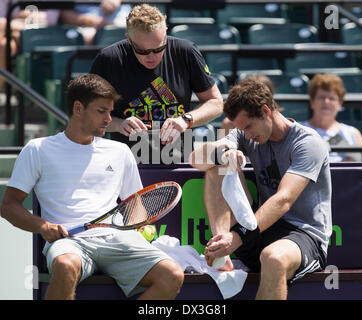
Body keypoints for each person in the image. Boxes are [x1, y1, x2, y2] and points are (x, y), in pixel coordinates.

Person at [0, 74, 184, 300]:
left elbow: (137, 209)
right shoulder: (38, 150)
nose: (109, 118)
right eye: (101, 111)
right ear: (78, 108)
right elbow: (8, 206)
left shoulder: (120, 152)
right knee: (66, 266)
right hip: (69, 243)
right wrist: (43, 225)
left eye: (110, 111)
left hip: (117, 240)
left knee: (172, 275)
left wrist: (140, 225)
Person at [189, 78, 332, 300]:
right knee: (215, 166)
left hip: (303, 235)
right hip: (260, 230)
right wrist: (223, 153)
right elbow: (195, 160)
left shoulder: (307, 142)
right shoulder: (245, 135)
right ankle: (221, 249)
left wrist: (238, 237)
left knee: (274, 258)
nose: (245, 135)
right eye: (240, 129)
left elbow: (283, 200)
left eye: (248, 127)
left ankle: (229, 242)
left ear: (266, 111)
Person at [90, 4, 223, 163]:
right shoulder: (109, 59)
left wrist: (185, 120)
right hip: (127, 162)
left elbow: (216, 103)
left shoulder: (185, 51)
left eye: (159, 48)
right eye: (142, 51)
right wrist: (118, 124)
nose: (151, 57)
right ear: (128, 39)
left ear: (166, 31)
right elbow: (89, 113)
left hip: (178, 159)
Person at [301, 73, 362, 162]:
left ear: (339, 103)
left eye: (332, 98)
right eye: (321, 97)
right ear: (312, 102)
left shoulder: (352, 133)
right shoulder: (299, 131)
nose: (326, 102)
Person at [0, 1, 59, 90]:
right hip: (12, 34)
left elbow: (50, 19)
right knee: (3, 45)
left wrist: (16, 20)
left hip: (45, 36)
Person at [59, 0, 131, 45]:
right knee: (87, 36)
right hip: (86, 29)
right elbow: (65, 15)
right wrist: (91, 21)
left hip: (123, 24)